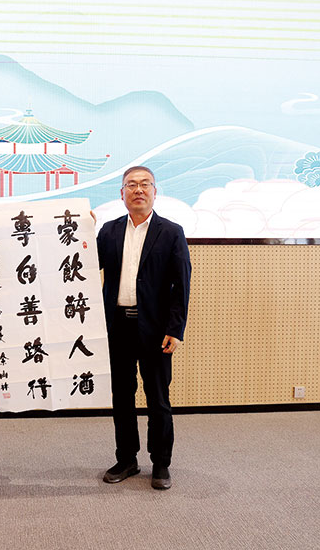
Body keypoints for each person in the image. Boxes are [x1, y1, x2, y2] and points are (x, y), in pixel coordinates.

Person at [96, 165, 191, 490]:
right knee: (122, 396)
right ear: (121, 193)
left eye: (145, 184)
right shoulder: (108, 231)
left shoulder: (171, 231)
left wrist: (175, 329)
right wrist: (81, 232)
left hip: (156, 329)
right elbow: (85, 266)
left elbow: (181, 284)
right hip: (117, 326)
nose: (138, 190)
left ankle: (160, 463)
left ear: (154, 191)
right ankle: (127, 459)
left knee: (158, 399)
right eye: (131, 185)